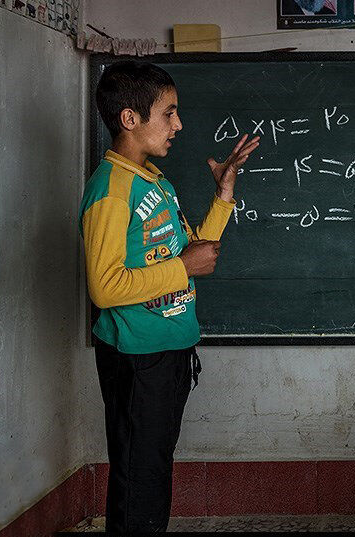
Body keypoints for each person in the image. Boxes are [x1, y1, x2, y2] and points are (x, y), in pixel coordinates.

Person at [80, 61, 260, 532]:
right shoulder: (111, 191)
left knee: (151, 470)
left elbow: (193, 249)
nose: (179, 125)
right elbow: (105, 285)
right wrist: (183, 267)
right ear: (130, 119)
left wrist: (223, 195)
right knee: (141, 478)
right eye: (169, 113)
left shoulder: (155, 182)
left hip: (167, 351)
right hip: (137, 357)